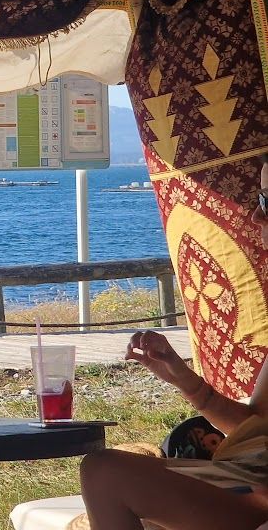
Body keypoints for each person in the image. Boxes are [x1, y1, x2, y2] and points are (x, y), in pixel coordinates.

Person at [80, 154, 268, 530]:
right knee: (107, 475)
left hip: (256, 487)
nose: (257, 218)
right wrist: (185, 380)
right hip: (246, 473)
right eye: (260, 201)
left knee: (104, 473)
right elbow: (255, 427)